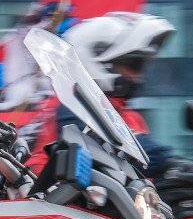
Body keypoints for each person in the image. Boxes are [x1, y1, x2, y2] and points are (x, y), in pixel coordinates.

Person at [26, 12, 176, 175]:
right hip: (55, 198)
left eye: (141, 67)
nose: (137, 76)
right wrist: (170, 162)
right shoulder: (70, 106)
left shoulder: (132, 118)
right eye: (133, 65)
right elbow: (116, 153)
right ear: (95, 59)